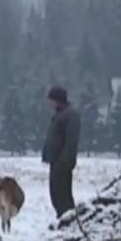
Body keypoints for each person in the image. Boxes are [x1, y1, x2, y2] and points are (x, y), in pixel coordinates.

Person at [41, 85, 81, 220]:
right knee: (55, 192)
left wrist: (65, 159)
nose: (49, 103)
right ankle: (61, 217)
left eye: (51, 99)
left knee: (62, 193)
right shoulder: (60, 114)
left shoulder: (70, 115)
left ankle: (68, 218)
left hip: (62, 162)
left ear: (57, 99)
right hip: (55, 160)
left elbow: (71, 140)